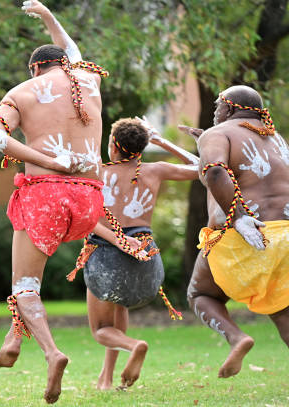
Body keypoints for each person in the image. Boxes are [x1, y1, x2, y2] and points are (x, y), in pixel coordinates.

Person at [0, 1, 147, 403]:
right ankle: (12, 342)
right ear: (63, 64)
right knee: (29, 276)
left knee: (25, 285)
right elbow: (71, 48)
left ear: (36, 68)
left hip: (45, 196)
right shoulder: (88, 81)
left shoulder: (22, 92)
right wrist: (46, 15)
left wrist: (45, 160)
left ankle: (53, 354)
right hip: (89, 200)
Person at [187, 85, 289, 391]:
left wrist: (238, 219)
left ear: (229, 108)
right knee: (286, 308)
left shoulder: (218, 132)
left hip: (248, 230)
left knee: (202, 295)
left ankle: (238, 338)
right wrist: (204, 142)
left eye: (217, 106)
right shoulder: (276, 137)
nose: (214, 112)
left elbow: (216, 171)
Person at [75, 117, 199, 390]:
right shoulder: (156, 170)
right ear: (142, 148)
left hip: (104, 256)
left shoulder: (96, 171)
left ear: (113, 146)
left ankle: (135, 346)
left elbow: (84, 219)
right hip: (145, 257)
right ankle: (106, 378)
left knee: (101, 330)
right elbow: (204, 168)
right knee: (119, 305)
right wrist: (162, 141)